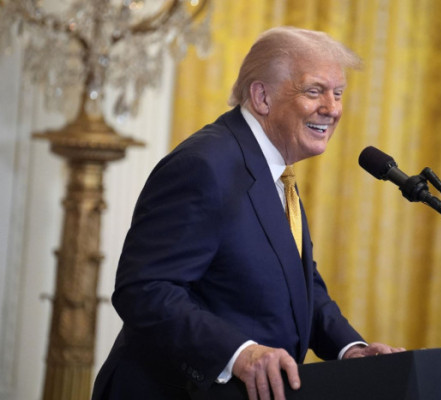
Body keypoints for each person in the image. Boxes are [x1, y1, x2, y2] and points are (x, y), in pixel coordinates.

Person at [92, 26, 404, 400]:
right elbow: (145, 289)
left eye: (338, 93)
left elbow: (297, 281)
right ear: (262, 97)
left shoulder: (273, 166)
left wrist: (350, 350)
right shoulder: (205, 165)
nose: (333, 109)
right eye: (314, 91)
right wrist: (239, 354)